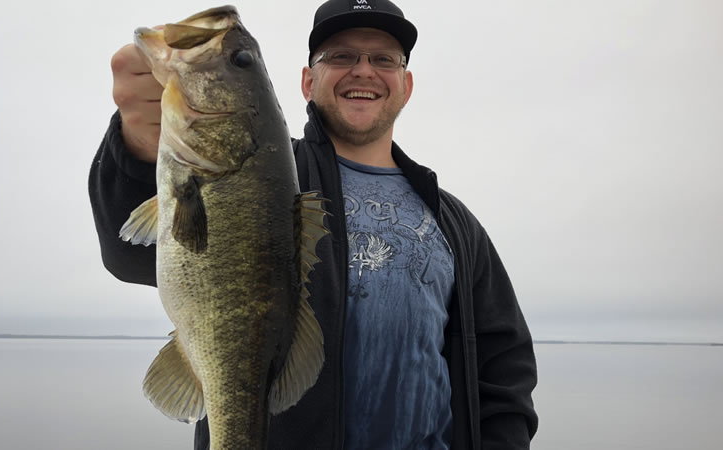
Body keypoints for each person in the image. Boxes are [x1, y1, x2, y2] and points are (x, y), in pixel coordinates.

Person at [89, 0, 538, 448]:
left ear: (406, 85)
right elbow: (128, 252)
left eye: (383, 59)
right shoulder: (268, 177)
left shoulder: (454, 222)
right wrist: (138, 145)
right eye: (340, 56)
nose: (363, 70)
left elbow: (503, 364)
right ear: (307, 81)